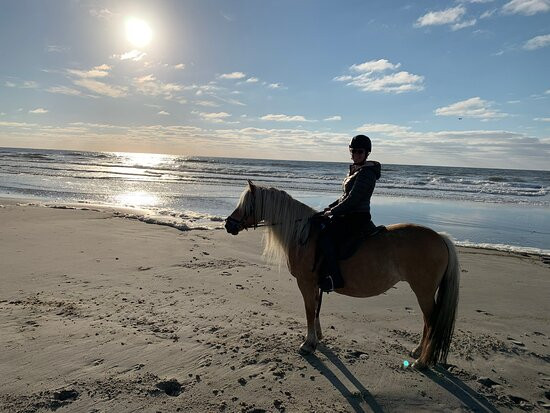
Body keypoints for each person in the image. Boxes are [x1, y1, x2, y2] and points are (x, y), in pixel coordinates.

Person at [318, 134, 381, 292]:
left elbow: (353, 199)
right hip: (347, 214)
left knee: (326, 237)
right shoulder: (355, 170)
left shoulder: (367, 173)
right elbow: (345, 197)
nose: (356, 155)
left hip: (357, 217)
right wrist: (330, 207)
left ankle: (335, 279)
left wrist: (333, 211)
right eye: (353, 151)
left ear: (367, 153)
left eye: (360, 152)